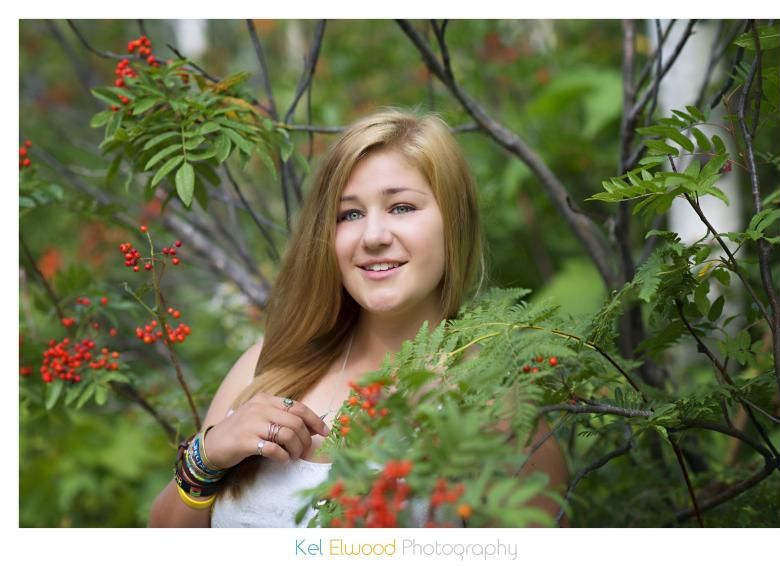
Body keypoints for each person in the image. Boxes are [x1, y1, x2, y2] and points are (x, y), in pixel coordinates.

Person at [148, 108, 568, 528]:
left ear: (453, 221)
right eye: (349, 214)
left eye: (401, 207)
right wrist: (207, 457)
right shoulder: (268, 366)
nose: (373, 237)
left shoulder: (496, 404)